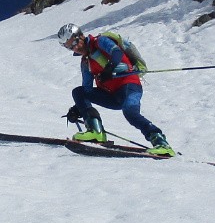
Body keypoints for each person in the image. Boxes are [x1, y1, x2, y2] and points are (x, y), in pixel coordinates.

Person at [56, 22, 174, 156]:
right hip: (112, 96)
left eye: (75, 42)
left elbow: (116, 53)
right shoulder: (85, 61)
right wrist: (78, 108)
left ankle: (161, 143)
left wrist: (109, 68)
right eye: (70, 47)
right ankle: (96, 132)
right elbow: (87, 89)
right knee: (79, 92)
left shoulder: (100, 41)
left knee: (130, 113)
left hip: (129, 86)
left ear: (81, 36)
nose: (75, 47)